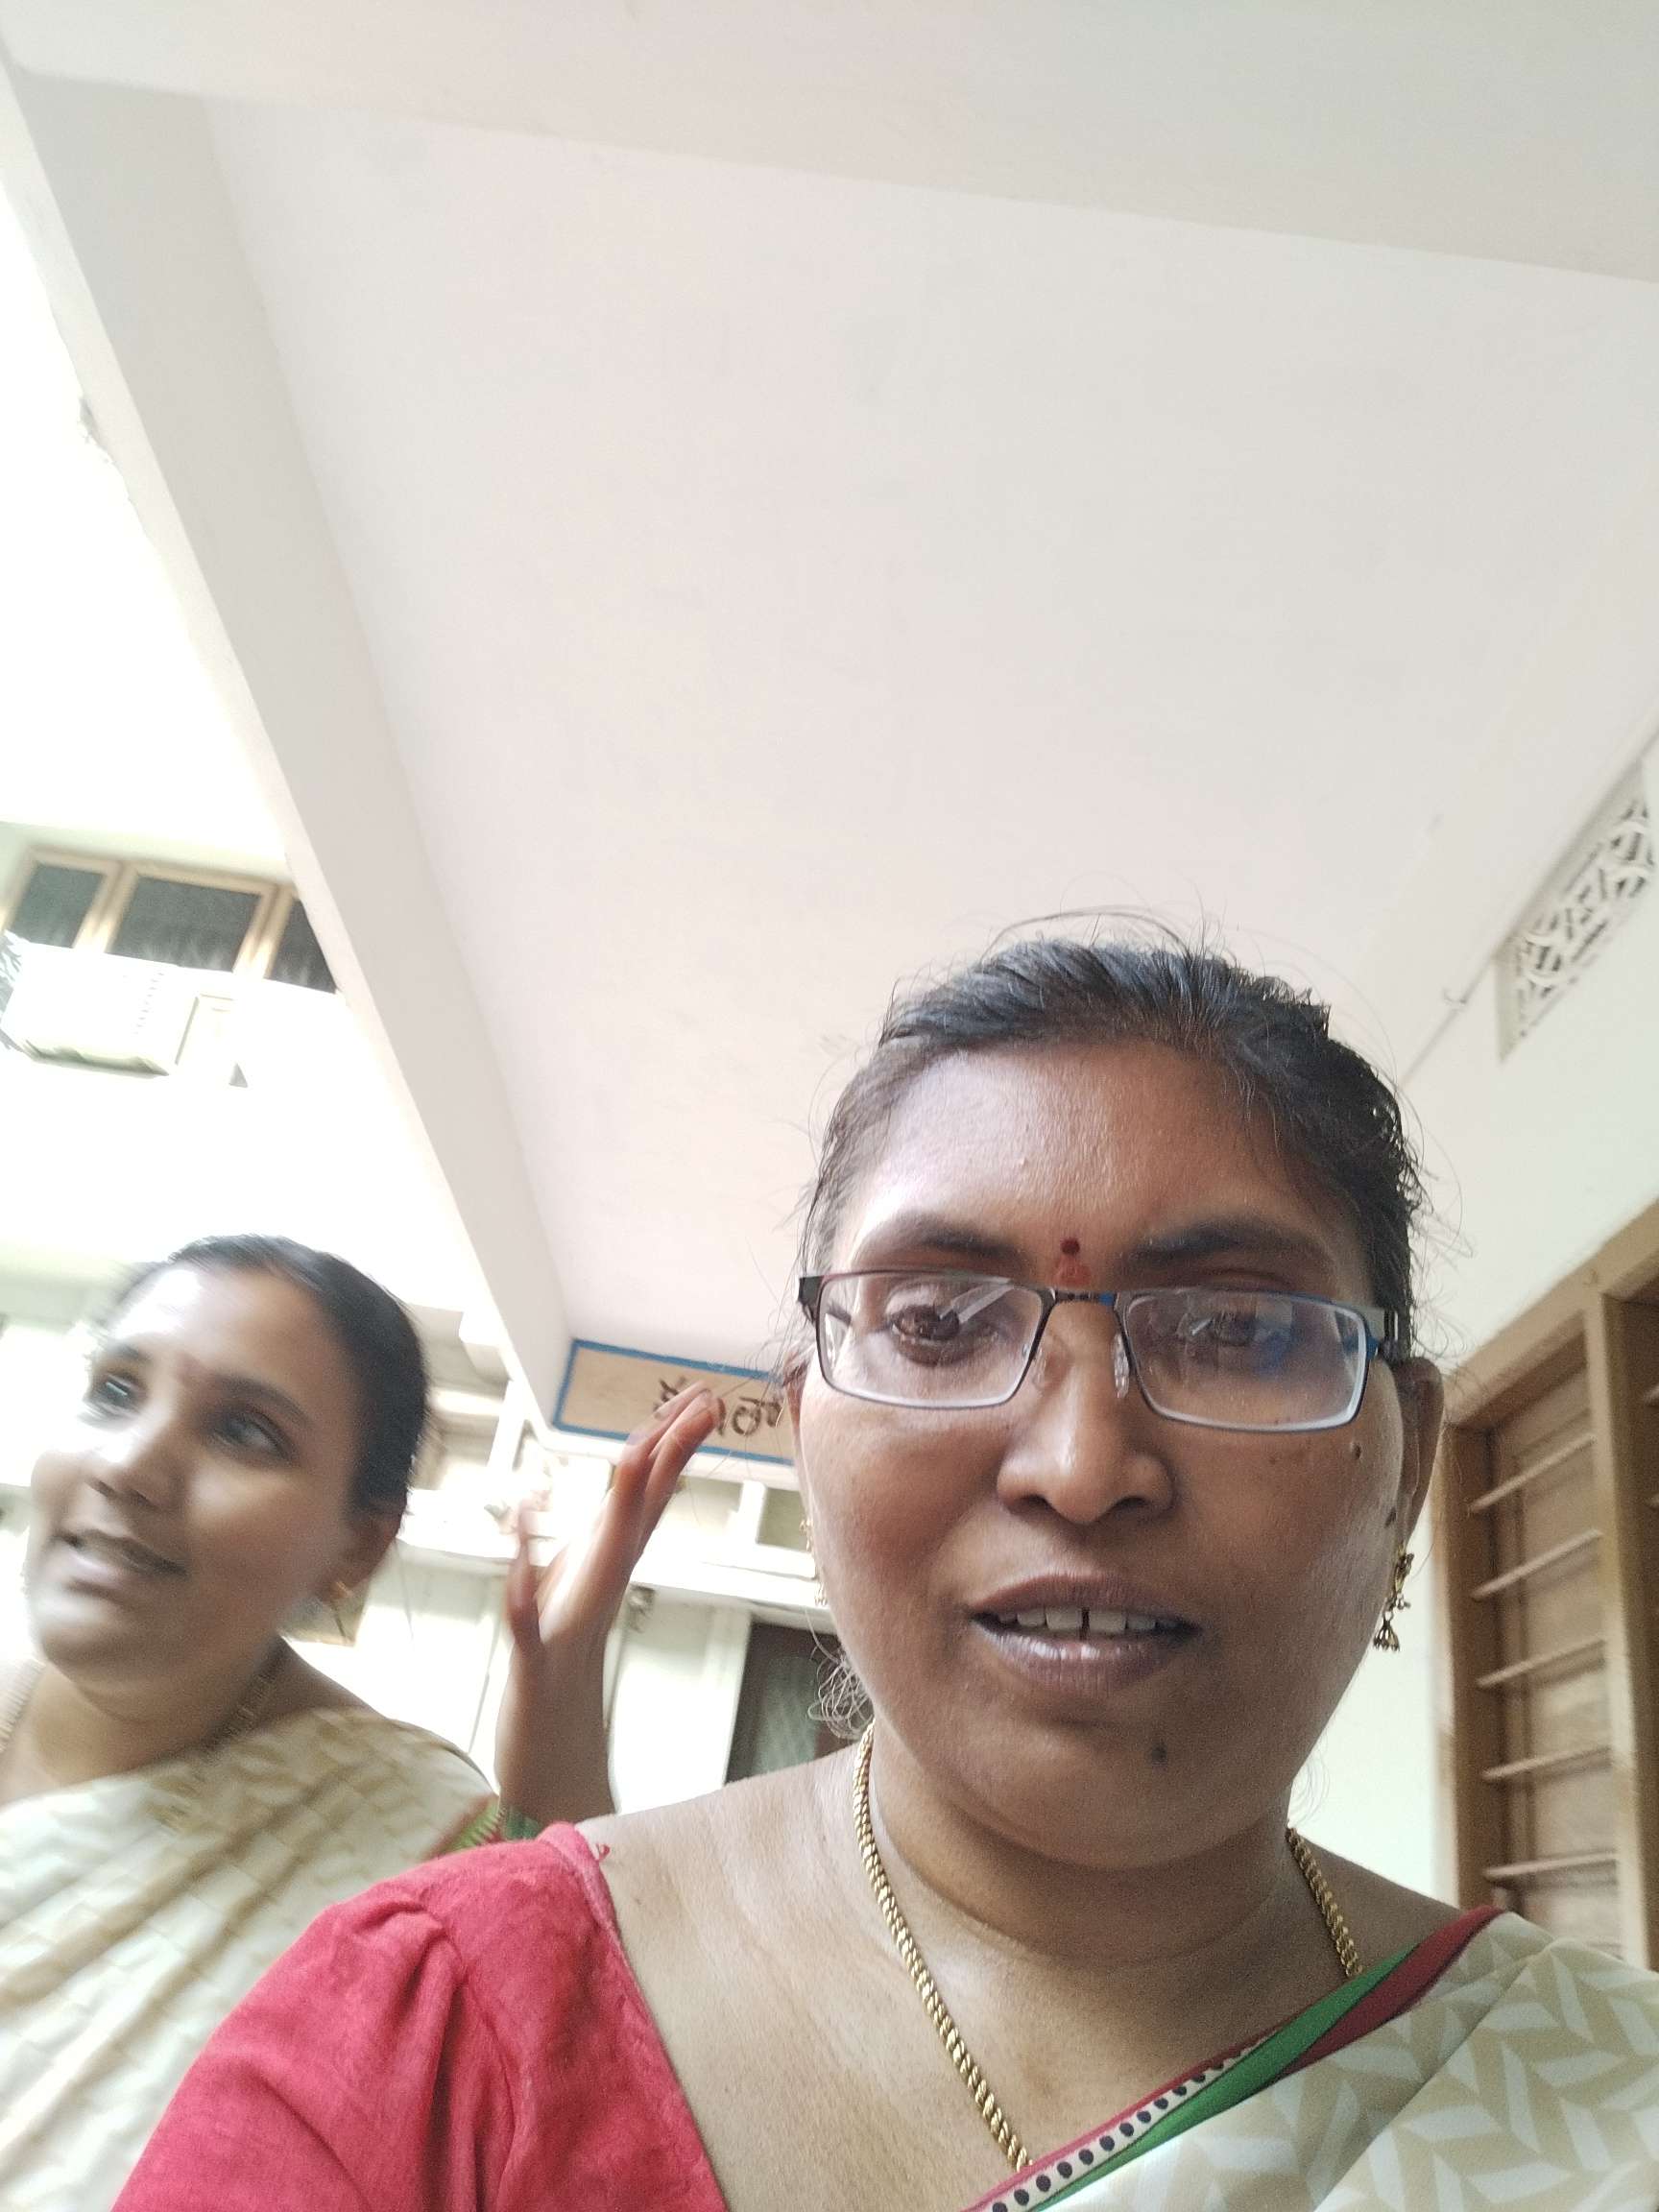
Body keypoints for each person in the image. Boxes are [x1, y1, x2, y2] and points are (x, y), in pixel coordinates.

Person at [118, 941, 1659, 2212]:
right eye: (936, 1323)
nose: (1080, 1463)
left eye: (1238, 1329)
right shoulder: (430, 2043)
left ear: (1406, 1458)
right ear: (805, 1429)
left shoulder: (1601, 2103)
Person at [0, 1233, 718, 2212]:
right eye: (116, 1392)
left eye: (244, 1432)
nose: (130, 1465)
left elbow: (576, 2060)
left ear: (359, 1546)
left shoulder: (400, 1825)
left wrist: (562, 1688)